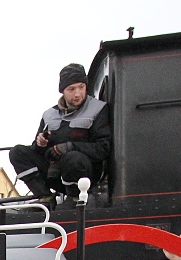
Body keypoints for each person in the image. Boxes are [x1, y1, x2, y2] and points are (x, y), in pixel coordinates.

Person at [9, 63, 112, 201]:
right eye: (71, 89)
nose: (77, 93)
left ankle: (74, 199)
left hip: (85, 174)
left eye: (81, 87)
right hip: (54, 171)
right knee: (17, 152)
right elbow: (36, 150)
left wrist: (70, 147)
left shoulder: (98, 109)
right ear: (62, 91)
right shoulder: (49, 115)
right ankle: (44, 197)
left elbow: (103, 148)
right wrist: (40, 144)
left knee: (73, 158)